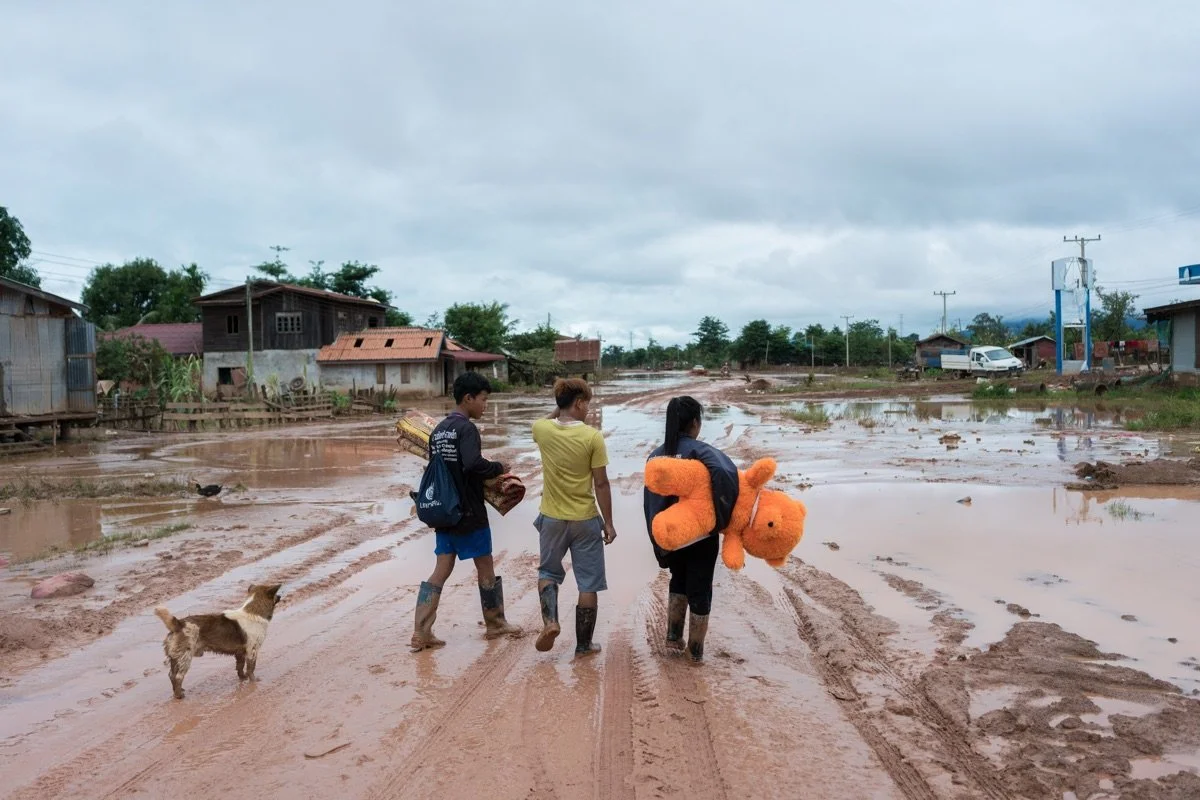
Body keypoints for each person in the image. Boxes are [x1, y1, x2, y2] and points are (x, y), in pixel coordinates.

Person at [411, 372, 522, 652]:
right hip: (469, 512)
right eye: (483, 400)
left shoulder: (439, 430)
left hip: (444, 511)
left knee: (441, 569)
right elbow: (473, 464)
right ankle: (495, 623)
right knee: (485, 566)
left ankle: (421, 631)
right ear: (468, 398)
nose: (485, 405)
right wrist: (499, 467)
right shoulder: (467, 429)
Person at [643, 396, 739, 662]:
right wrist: (721, 519)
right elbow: (726, 473)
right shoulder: (702, 453)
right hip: (700, 537)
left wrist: (657, 541)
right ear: (695, 423)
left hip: (672, 537)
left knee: (678, 579)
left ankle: (673, 636)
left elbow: (650, 502)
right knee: (700, 587)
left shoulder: (656, 455)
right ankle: (695, 651)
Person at [530, 378, 616, 657]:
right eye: (587, 405)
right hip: (585, 520)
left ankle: (551, 622)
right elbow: (601, 483)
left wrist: (560, 407)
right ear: (578, 403)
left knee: (547, 573)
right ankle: (584, 645)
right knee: (588, 583)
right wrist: (609, 522)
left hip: (552, 519)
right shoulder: (592, 437)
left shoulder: (542, 429)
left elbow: (546, 421)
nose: (588, 411)